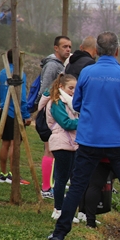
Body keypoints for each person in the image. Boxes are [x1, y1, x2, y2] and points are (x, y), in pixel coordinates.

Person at [48, 32, 120, 240]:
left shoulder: (87, 74)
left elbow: (77, 104)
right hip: (119, 142)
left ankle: (59, 234)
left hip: (89, 141)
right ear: (117, 50)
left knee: (77, 186)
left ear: (96, 51)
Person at [38, 74, 80, 221]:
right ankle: (58, 209)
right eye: (70, 88)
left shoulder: (68, 102)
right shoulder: (56, 102)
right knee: (61, 178)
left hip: (70, 143)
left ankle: (63, 209)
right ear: (61, 87)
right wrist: (85, 123)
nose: (73, 91)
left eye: (75, 88)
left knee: (67, 176)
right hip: (61, 142)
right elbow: (66, 123)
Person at [35, 36, 73, 195]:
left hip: (57, 111)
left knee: (57, 150)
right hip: (51, 113)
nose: (68, 50)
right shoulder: (52, 65)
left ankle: (56, 184)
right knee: (49, 150)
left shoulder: (62, 65)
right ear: (55, 48)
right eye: (64, 46)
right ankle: (45, 187)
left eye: (70, 47)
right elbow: (45, 89)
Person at [0, 49, 32, 185]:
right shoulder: (19, 74)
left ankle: (3, 174)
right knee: (14, 143)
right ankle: (12, 175)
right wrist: (26, 114)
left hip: (3, 110)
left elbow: (0, 91)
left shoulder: (2, 72)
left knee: (5, 142)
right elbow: (22, 97)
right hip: (14, 111)